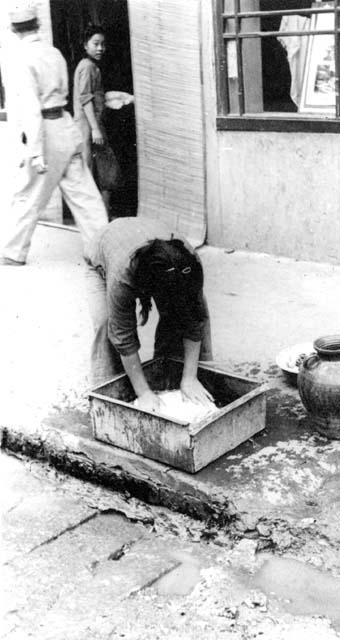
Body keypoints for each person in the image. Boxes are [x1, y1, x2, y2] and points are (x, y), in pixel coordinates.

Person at [0, 5, 108, 266]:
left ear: (14, 30)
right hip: (65, 126)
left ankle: (13, 252)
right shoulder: (55, 54)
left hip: (45, 133)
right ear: (37, 25)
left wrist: (35, 151)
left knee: (28, 193)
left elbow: (30, 108)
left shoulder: (19, 59)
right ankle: (103, 249)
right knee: (85, 196)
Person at [86, 216, 213, 413]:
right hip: (107, 246)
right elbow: (123, 335)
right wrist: (143, 393)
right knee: (106, 323)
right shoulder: (123, 278)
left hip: (148, 240)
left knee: (178, 314)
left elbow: (194, 319)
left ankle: (173, 373)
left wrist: (189, 377)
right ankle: (109, 397)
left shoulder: (190, 264)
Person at [73, 25, 110, 208]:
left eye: (103, 44)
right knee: (87, 170)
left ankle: (101, 215)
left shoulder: (93, 67)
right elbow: (85, 99)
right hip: (87, 126)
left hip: (92, 124)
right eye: (95, 44)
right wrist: (95, 128)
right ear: (85, 45)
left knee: (100, 169)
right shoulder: (87, 67)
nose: (100, 48)